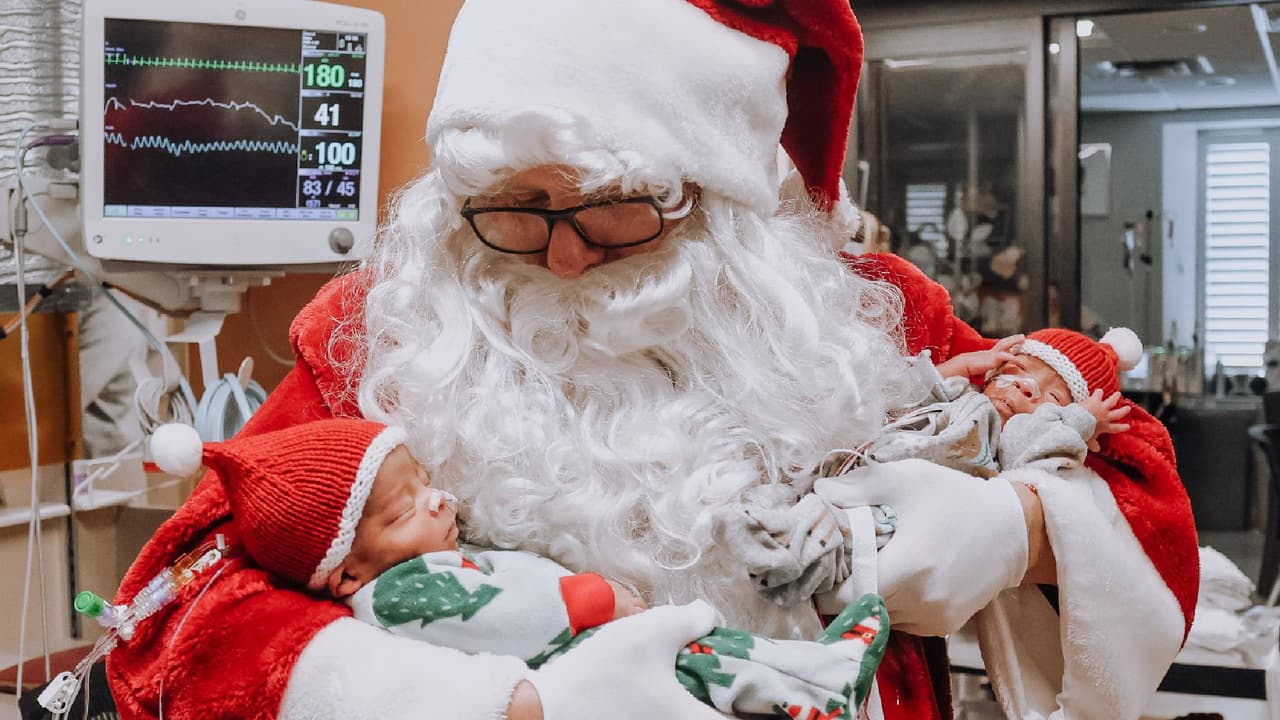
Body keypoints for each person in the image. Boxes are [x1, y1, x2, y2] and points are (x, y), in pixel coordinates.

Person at [108, 2, 1199, 719]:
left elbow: (1135, 482)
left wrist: (1017, 531)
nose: (564, 255)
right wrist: (496, 707)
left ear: (718, 196)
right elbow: (174, 609)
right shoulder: (381, 332)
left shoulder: (865, 313)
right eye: (512, 209)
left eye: (612, 208)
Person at [149, 417, 890, 718]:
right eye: (405, 509)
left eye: (426, 484)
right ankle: (812, 687)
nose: (439, 500)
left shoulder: (422, 563)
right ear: (345, 573)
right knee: (705, 664)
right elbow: (512, 613)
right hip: (587, 664)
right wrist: (593, 599)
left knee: (710, 659)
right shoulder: (401, 592)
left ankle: (813, 679)